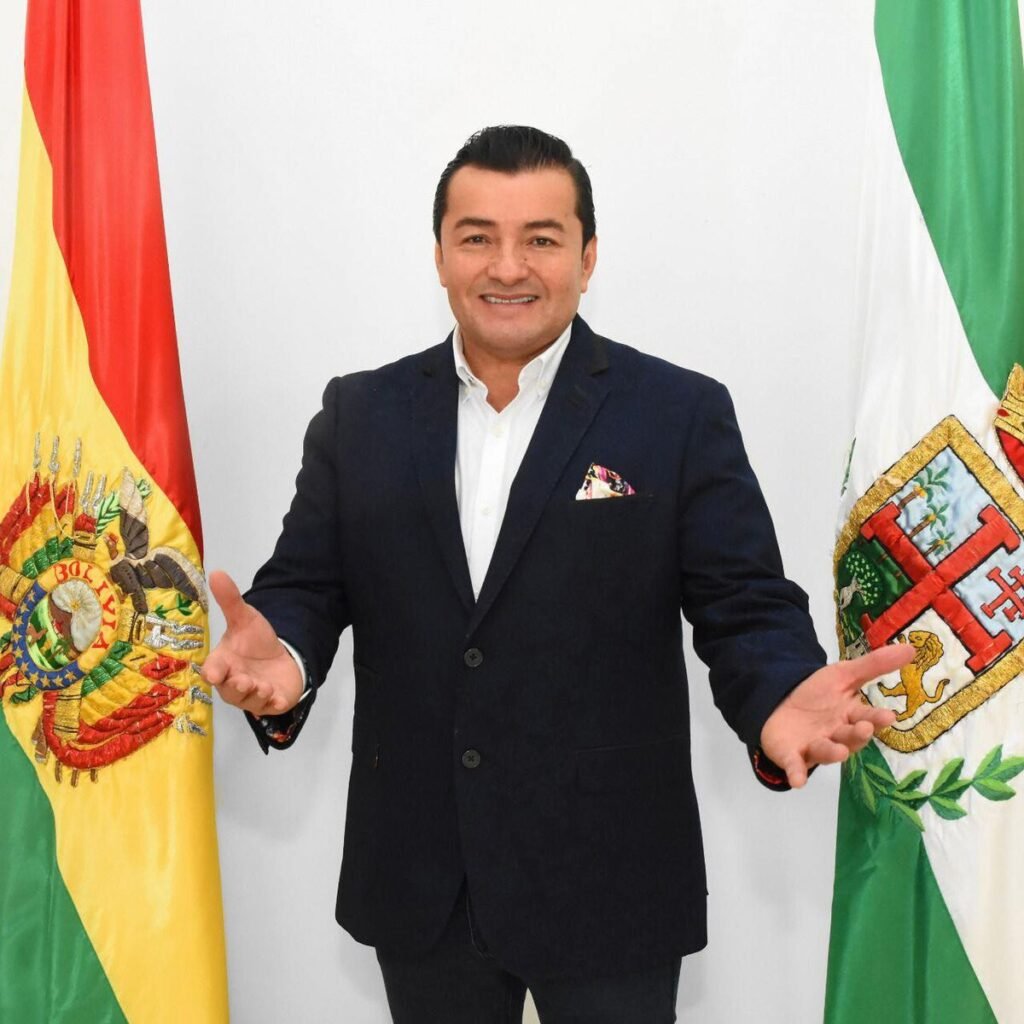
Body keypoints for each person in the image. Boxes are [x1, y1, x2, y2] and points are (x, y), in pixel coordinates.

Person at [203, 125, 911, 1024]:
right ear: (439, 255)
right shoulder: (361, 413)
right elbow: (306, 584)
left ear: (588, 256)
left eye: (540, 238)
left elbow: (744, 603)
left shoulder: (677, 412)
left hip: (611, 872)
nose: (508, 267)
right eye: (477, 238)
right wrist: (287, 657)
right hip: (422, 875)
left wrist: (778, 693)